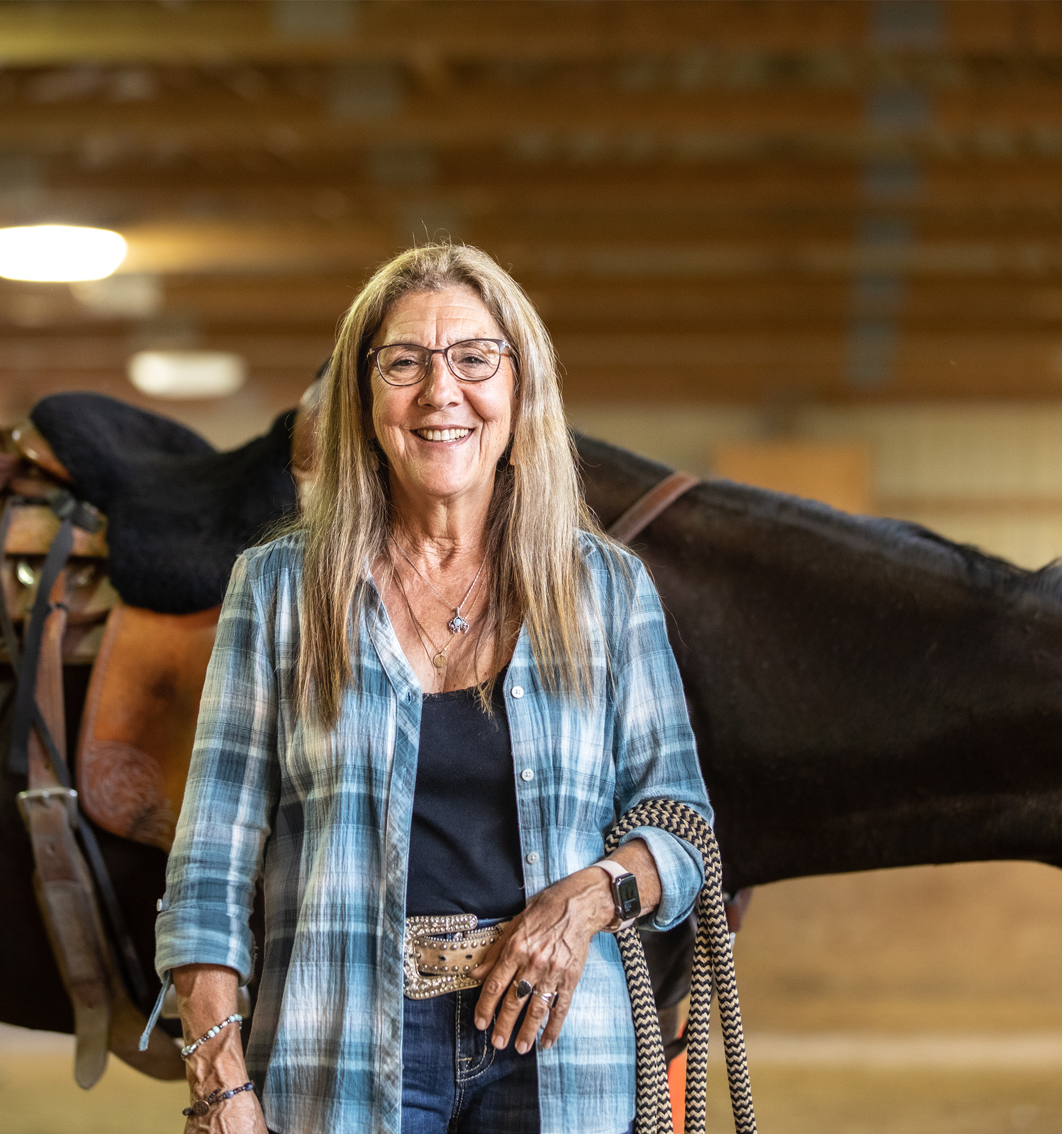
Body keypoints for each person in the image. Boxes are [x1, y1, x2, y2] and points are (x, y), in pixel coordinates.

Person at [153, 243, 712, 1134]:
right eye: (403, 362)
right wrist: (218, 1084)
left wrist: (589, 896)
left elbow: (681, 829)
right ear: (365, 401)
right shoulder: (277, 591)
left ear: (520, 390)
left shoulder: (605, 590)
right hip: (339, 1049)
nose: (440, 392)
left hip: (563, 1051)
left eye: (474, 359)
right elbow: (208, 871)